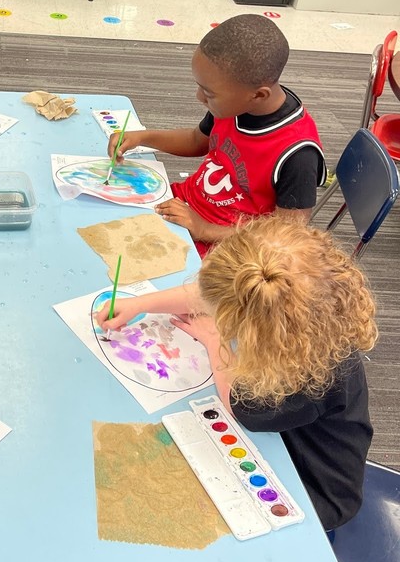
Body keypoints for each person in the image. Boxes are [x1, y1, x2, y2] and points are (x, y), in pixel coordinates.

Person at [98, 216, 376, 530]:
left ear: (256, 329)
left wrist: (214, 339)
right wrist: (141, 304)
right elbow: (212, 293)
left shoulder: (308, 379)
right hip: (285, 439)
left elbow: (242, 408)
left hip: (314, 489)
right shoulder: (310, 313)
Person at [108, 15, 326, 256]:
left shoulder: (298, 155)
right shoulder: (234, 105)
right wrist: (142, 137)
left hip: (228, 250)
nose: (199, 97)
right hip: (183, 207)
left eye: (208, 93)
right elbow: (195, 141)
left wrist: (205, 229)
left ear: (258, 95)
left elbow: (286, 235)